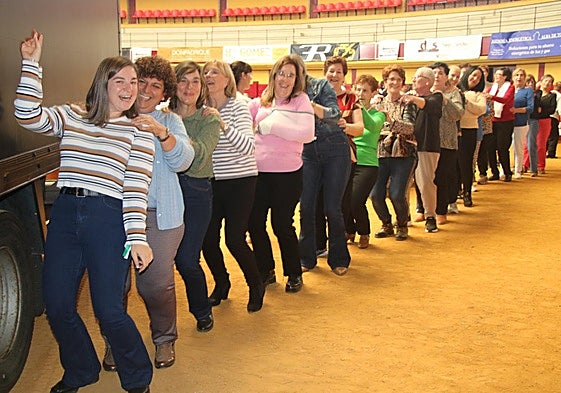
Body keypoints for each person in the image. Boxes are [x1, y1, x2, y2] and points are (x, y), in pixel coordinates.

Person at [15, 31, 153, 393]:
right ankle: (80, 371)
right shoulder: (73, 114)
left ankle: (137, 377)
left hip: (108, 219)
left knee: (109, 311)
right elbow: (27, 116)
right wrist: (31, 64)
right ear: (102, 83)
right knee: (57, 305)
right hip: (64, 213)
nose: (128, 88)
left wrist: (137, 238)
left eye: (133, 82)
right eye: (119, 80)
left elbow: (135, 189)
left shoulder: (139, 132)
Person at [101, 56, 195, 373]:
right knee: (113, 284)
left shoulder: (169, 122)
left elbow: (184, 160)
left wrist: (160, 133)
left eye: (156, 85)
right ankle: (115, 340)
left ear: (164, 92)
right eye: (142, 82)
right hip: (113, 212)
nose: (147, 90)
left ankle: (164, 337)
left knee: (154, 285)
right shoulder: (112, 116)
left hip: (160, 217)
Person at [247, 54, 314, 292]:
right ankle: (266, 271)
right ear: (273, 76)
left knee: (282, 224)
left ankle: (294, 273)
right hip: (257, 174)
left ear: (297, 79)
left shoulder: (301, 100)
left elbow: (306, 133)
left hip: (288, 174)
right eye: (281, 73)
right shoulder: (259, 103)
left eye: (291, 75)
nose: (285, 79)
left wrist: (272, 126)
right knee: (254, 224)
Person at [201, 60, 265, 312]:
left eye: (214, 71)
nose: (208, 75)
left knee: (234, 240)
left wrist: (222, 124)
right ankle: (222, 284)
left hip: (241, 181)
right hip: (211, 181)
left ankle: (255, 285)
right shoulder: (200, 108)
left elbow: (247, 147)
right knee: (207, 240)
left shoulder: (239, 105)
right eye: (205, 72)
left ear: (227, 79)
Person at [170, 61, 221, 332]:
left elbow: (200, 155)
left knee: (187, 259)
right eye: (183, 81)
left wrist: (169, 138)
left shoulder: (208, 118)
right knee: (159, 261)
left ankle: (201, 310)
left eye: (195, 82)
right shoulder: (163, 115)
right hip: (166, 191)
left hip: (197, 192)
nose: (189, 87)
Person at [299, 71, 351, 276]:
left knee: (332, 208)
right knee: (305, 207)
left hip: (335, 149)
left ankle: (339, 258)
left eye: (291, 73)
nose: (286, 78)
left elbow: (335, 115)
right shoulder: (283, 92)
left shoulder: (320, 85)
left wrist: (309, 106)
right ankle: (306, 257)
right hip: (307, 151)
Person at [370, 65, 417, 241]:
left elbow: (410, 128)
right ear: (385, 82)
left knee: (397, 194)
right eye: (391, 79)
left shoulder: (408, 103)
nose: (394, 82)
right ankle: (386, 224)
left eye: (398, 79)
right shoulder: (378, 102)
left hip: (403, 154)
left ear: (403, 83)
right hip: (381, 153)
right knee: (375, 195)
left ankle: (402, 225)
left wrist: (389, 119)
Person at [350, 74, 385, 248]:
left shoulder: (379, 115)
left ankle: (363, 232)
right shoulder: (349, 111)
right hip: (348, 159)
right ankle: (349, 230)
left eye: (365, 91)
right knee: (342, 200)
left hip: (368, 164)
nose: (360, 93)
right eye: (358, 89)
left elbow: (371, 126)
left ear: (373, 93)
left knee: (355, 200)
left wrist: (358, 107)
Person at [408, 67, 443, 233]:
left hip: (427, 147)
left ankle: (430, 216)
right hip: (406, 147)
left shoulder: (436, 97)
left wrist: (411, 98)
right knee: (403, 183)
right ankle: (404, 217)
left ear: (428, 81)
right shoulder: (410, 99)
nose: (414, 80)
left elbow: (427, 105)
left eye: (417, 77)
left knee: (426, 183)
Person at [429, 62, 464, 225]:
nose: (436, 75)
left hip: (446, 142)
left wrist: (444, 100)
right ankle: (423, 209)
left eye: (440, 73)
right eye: (434, 72)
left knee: (441, 177)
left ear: (446, 77)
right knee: (425, 177)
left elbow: (457, 114)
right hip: (426, 143)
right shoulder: (421, 92)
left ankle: (441, 210)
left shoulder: (453, 94)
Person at [458, 66, 487, 206]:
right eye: (473, 75)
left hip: (469, 130)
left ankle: (467, 193)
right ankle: (455, 191)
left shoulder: (479, 95)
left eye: (479, 78)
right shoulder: (455, 89)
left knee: (466, 163)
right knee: (453, 163)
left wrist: (465, 101)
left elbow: (481, 110)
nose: (475, 79)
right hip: (453, 130)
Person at [485, 67, 515, 182]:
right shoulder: (491, 88)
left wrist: (492, 97)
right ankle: (494, 172)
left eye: (499, 74)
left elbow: (505, 100)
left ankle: (507, 172)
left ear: (505, 77)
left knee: (502, 148)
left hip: (505, 122)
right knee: (490, 148)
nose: (496, 76)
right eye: (496, 74)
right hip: (492, 121)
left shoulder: (510, 87)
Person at [510, 68, 534, 178]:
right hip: (506, 122)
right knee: (504, 146)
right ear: (513, 77)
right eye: (517, 75)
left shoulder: (527, 91)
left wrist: (516, 110)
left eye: (521, 75)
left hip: (521, 123)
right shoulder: (508, 89)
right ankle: (505, 168)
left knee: (518, 147)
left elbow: (530, 108)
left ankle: (518, 170)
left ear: (524, 78)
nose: (519, 77)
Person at [533, 74, 558, 173]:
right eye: (546, 80)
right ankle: (528, 164)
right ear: (541, 81)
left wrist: (541, 111)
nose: (547, 83)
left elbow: (552, 110)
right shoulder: (537, 93)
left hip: (545, 121)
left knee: (541, 144)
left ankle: (540, 165)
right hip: (533, 120)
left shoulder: (552, 95)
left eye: (550, 82)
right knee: (529, 144)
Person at [523, 74, 541, 177]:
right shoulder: (520, 93)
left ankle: (534, 169)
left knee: (531, 145)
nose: (530, 84)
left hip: (533, 121)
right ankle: (521, 166)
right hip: (522, 120)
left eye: (532, 82)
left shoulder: (537, 94)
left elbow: (536, 109)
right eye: (528, 82)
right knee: (522, 145)